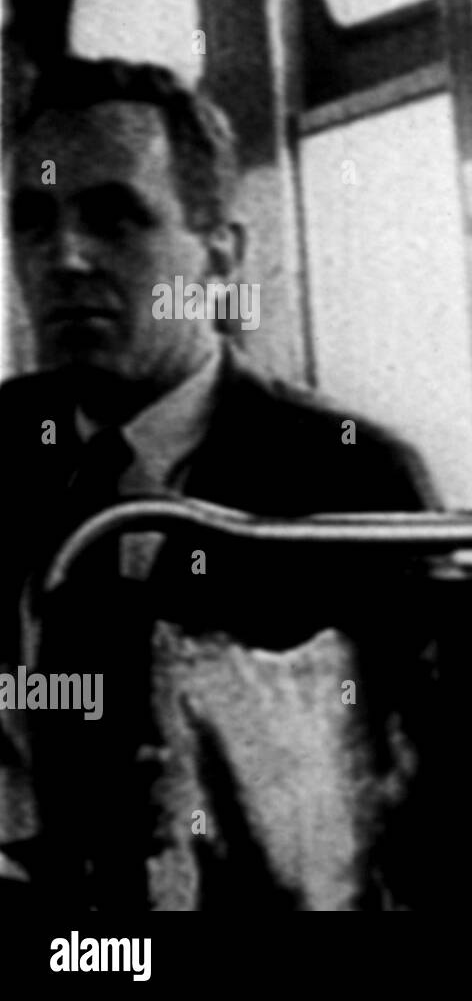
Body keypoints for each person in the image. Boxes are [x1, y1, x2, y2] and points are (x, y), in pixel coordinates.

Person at [0, 57, 438, 907]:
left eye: (115, 218)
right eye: (32, 222)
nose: (66, 258)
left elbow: (405, 802)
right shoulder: (6, 444)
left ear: (222, 253)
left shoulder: (347, 475)